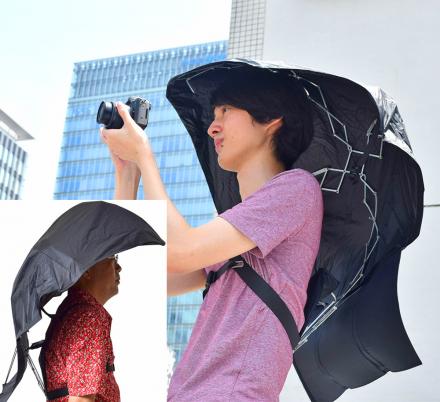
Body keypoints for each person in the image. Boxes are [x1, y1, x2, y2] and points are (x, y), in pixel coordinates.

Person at [101, 68, 324, 401]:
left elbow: (180, 252)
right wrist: (128, 175)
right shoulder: (233, 233)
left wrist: (145, 157)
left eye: (226, 111)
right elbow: (134, 280)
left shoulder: (296, 189)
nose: (212, 126)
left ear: (270, 120)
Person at [40, 256, 122, 402]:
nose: (118, 267)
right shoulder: (87, 318)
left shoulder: (76, 309)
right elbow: (81, 399)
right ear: (87, 270)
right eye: (112, 257)